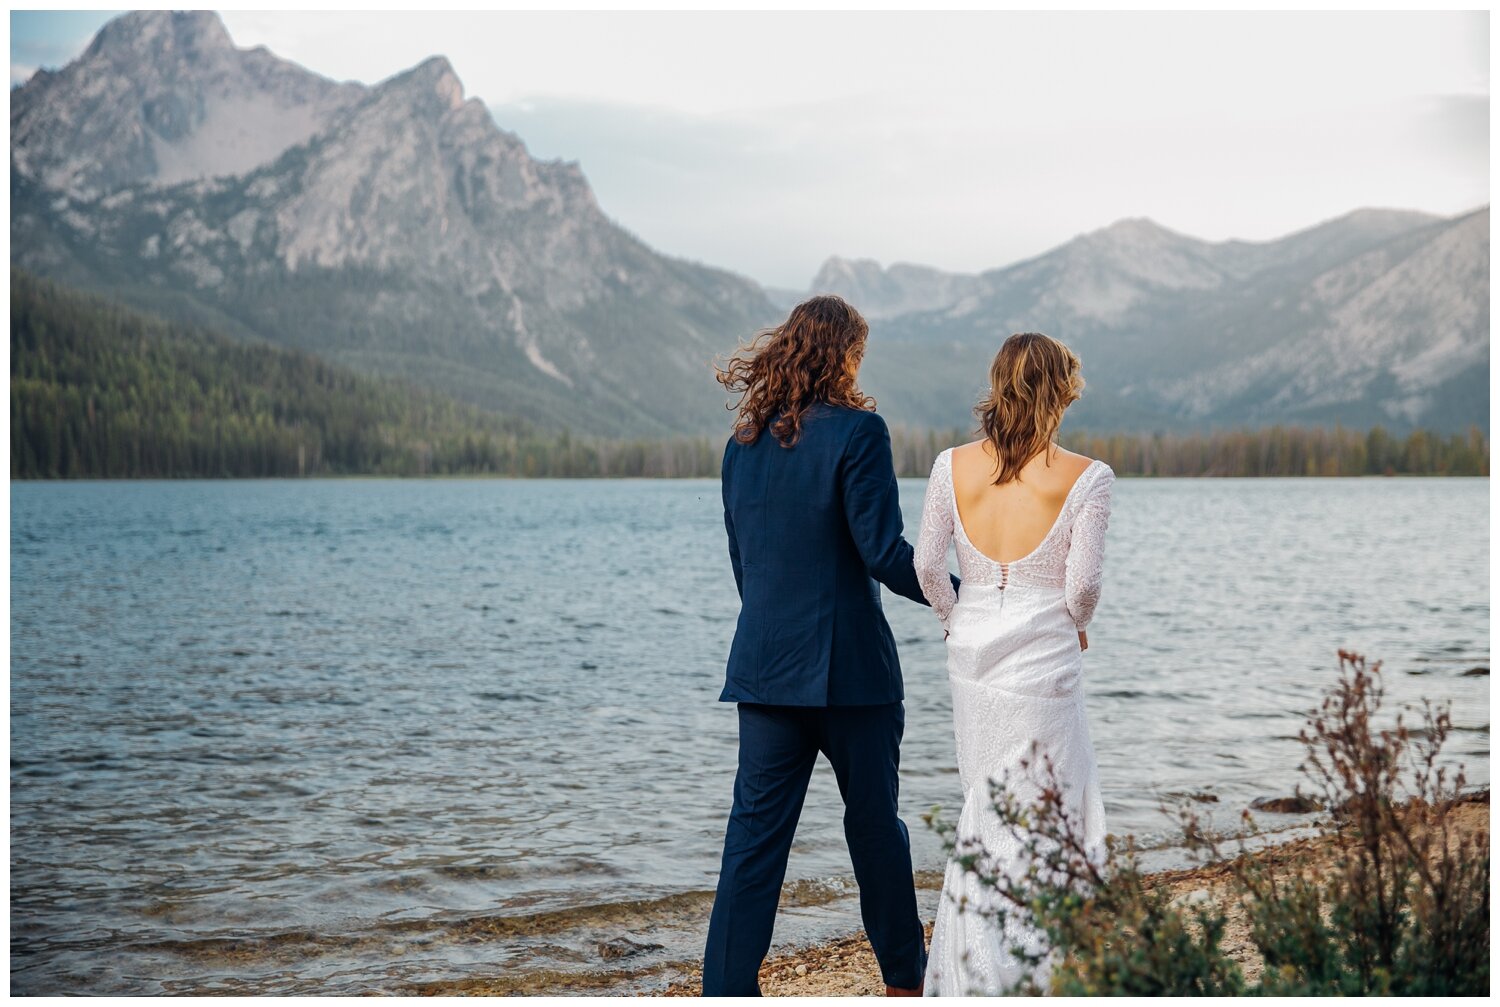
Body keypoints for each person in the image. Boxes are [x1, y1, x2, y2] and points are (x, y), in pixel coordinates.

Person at [701, 295, 957, 997]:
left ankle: (723, 990)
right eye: (856, 352)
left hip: (764, 673)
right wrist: (962, 597)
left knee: (751, 847)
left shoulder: (741, 445)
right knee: (876, 832)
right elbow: (883, 551)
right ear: (842, 354)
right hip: (851, 679)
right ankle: (905, 981)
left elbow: (743, 565)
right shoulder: (860, 433)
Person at [913, 331, 1114, 996]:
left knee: (986, 809)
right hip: (1045, 662)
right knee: (1050, 815)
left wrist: (953, 619)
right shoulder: (1088, 477)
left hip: (972, 659)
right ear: (1061, 392)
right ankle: (1042, 970)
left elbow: (924, 564)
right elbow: (1081, 588)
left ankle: (977, 972)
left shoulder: (951, 465)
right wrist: (1077, 627)